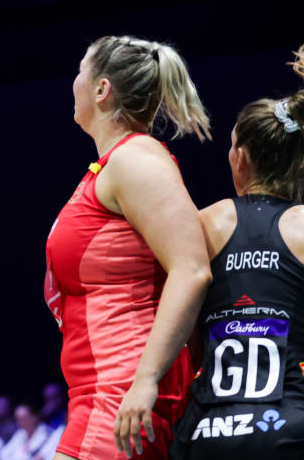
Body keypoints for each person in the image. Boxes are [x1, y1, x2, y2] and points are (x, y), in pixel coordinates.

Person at [169, 35, 304, 459]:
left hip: (206, 434)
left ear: (240, 157)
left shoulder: (200, 225)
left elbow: (189, 339)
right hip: (293, 429)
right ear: (300, 162)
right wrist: (286, 325)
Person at [45, 36, 214, 459]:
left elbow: (191, 269)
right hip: (101, 392)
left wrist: (146, 380)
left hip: (121, 394)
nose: (74, 82)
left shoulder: (136, 159)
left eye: (80, 71)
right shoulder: (111, 167)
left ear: (102, 89)